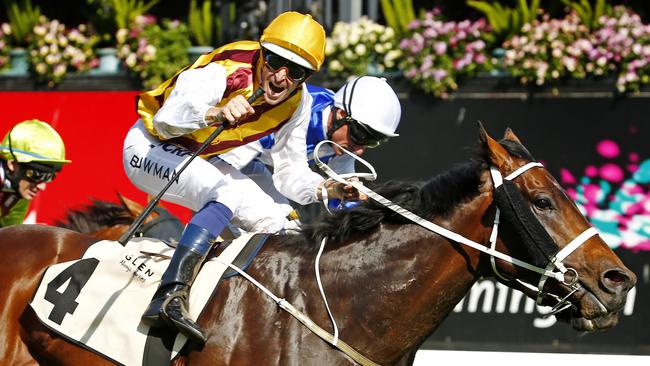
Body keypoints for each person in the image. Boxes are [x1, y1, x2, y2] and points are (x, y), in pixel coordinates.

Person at [122, 11, 363, 344]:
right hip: (148, 148)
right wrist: (214, 112)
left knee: (282, 224)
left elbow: (289, 172)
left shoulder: (298, 103)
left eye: (295, 72)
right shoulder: (227, 69)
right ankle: (169, 295)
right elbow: (164, 121)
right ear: (262, 51)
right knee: (224, 192)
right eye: (275, 61)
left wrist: (326, 187)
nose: (280, 78)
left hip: (198, 157)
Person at [220, 76, 401, 218]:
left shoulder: (344, 137)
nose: (360, 149)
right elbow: (225, 167)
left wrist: (349, 194)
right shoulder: (299, 109)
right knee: (255, 216)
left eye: (371, 141)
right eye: (360, 135)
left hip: (252, 163)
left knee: (287, 228)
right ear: (341, 114)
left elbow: (340, 192)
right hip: (222, 152)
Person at [0, 120, 71, 227]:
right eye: (37, 175)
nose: (42, 187)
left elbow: (9, 235)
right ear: (12, 164)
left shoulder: (18, 192)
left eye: (49, 177)